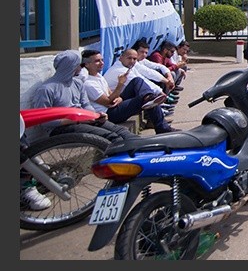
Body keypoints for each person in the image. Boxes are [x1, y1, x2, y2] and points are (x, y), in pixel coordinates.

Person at [26, 50, 136, 210]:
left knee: (122, 133)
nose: (80, 67)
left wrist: (96, 114)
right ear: (70, 66)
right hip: (63, 128)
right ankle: (121, 175)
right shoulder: (47, 89)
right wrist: (73, 118)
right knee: (111, 138)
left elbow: (86, 105)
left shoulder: (77, 83)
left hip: (85, 119)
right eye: (78, 64)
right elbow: (44, 121)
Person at [81, 49, 177, 134]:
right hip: (109, 114)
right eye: (97, 61)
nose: (102, 63)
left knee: (138, 81)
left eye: (102, 60)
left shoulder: (98, 76)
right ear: (87, 64)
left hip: (114, 103)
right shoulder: (89, 83)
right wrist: (120, 84)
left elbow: (110, 93)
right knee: (144, 98)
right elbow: (108, 102)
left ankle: (149, 99)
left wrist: (119, 98)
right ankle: (161, 127)